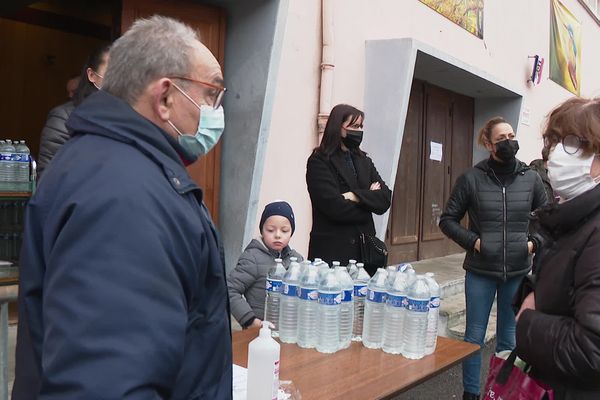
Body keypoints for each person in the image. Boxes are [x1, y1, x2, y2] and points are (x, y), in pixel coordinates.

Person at [13, 16, 231, 399]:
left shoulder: (107, 164)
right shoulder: (124, 196)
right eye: (211, 92)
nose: (216, 109)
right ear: (165, 97)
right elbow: (106, 384)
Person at [439, 117, 547, 400]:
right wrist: (474, 242)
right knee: (473, 338)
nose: (509, 141)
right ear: (488, 144)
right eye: (501, 138)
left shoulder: (531, 178)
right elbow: (448, 220)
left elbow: (548, 220)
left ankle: (501, 392)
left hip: (517, 271)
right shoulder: (471, 179)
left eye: (511, 135)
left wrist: (532, 244)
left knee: (509, 338)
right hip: (480, 271)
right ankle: (471, 393)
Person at [516, 97, 600, 399]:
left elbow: (593, 352)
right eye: (553, 141)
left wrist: (527, 323)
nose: (556, 154)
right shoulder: (575, 219)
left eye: (574, 142)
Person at [306, 104, 391, 272]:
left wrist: (353, 196)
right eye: (353, 126)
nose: (358, 131)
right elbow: (334, 207)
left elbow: (385, 199)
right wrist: (368, 200)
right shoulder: (319, 161)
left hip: (365, 256)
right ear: (338, 128)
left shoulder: (364, 160)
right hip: (332, 255)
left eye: (360, 126)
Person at [228, 201, 304, 329]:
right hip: (259, 331)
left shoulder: (296, 260)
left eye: (284, 230)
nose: (278, 235)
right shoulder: (252, 257)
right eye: (270, 230)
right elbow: (229, 290)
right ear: (262, 230)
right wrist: (250, 320)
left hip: (289, 331)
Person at [37, 45, 109, 178]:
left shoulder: (134, 116)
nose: (117, 79)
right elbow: (49, 178)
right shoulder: (64, 117)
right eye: (111, 72)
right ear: (92, 75)